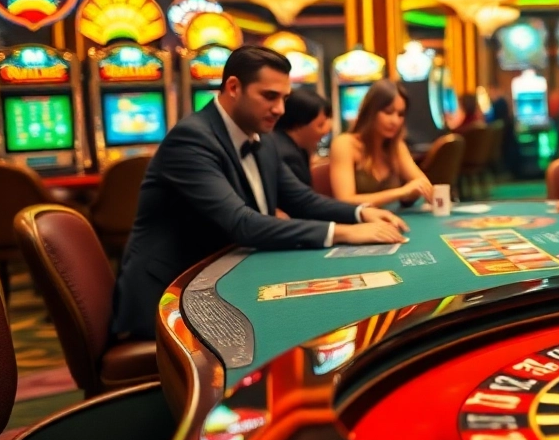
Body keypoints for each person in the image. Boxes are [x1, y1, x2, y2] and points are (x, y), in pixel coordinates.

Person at [112, 46, 408, 340]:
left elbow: (300, 199)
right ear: (233, 87)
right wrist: (343, 233)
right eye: (269, 96)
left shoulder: (262, 139)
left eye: (284, 98)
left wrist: (360, 212)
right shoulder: (192, 140)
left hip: (223, 283)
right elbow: (242, 223)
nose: (280, 109)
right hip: (170, 298)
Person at [329, 79, 434, 208]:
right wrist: (401, 192)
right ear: (370, 112)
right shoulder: (344, 144)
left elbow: (423, 184)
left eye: (400, 114)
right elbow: (345, 201)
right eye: (388, 112)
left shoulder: (396, 146)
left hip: (391, 221)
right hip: (358, 225)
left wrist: (412, 193)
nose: (395, 121)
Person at [272, 88, 331, 187]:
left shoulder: (290, 146)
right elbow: (301, 200)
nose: (327, 130)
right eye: (320, 125)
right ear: (298, 125)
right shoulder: (288, 156)